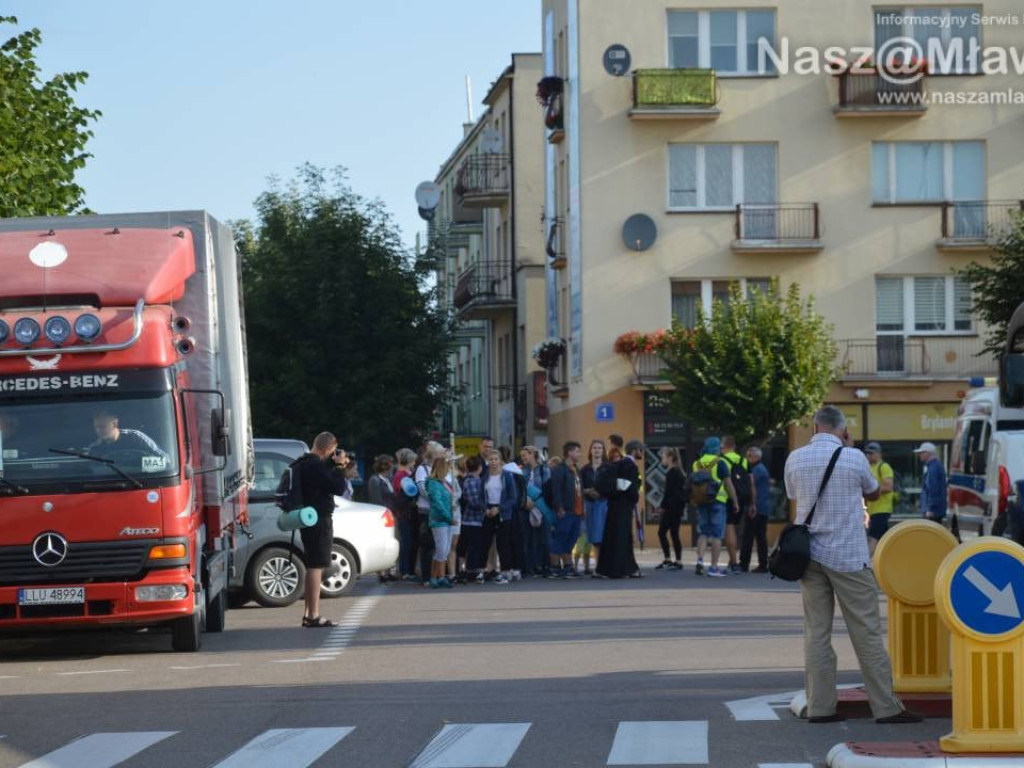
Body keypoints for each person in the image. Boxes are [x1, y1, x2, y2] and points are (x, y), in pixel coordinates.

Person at [785, 406, 921, 725]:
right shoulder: (854, 457)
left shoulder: (795, 458)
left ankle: (820, 707)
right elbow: (873, 494)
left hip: (808, 555)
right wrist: (849, 449)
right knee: (866, 632)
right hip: (847, 554)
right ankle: (885, 708)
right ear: (843, 430)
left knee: (816, 633)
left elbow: (794, 494)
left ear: (816, 428)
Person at [294, 431, 350, 628]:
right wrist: (341, 466)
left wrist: (332, 465)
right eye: (333, 451)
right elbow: (338, 487)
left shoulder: (303, 462)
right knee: (316, 565)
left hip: (309, 518)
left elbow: (322, 481)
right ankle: (313, 615)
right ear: (327, 448)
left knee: (313, 564)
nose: (334, 454)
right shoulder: (315, 466)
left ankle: (309, 613)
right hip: (319, 519)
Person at [691, 437, 738, 578]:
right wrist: (735, 501)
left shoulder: (697, 463)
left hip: (701, 501)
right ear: (717, 448)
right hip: (718, 501)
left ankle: (700, 560)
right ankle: (713, 567)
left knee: (703, 532)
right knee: (717, 535)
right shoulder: (720, 463)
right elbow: (728, 484)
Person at [595, 439, 642, 579]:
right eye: (640, 450)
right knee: (622, 538)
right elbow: (630, 489)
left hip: (614, 505)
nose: (642, 453)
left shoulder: (619, 464)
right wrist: (634, 497)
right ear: (634, 450)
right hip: (623, 507)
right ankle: (620, 569)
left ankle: (613, 568)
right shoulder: (630, 465)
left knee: (614, 537)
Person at [549, 441, 583, 578]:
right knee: (560, 538)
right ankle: (555, 568)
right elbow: (556, 490)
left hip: (577, 511)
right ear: (569, 452)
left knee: (571, 539)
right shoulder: (560, 469)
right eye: (577, 451)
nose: (579, 454)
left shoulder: (576, 469)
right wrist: (559, 507)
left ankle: (568, 567)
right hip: (566, 510)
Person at [722, 436, 753, 574]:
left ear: (724, 446)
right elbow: (751, 483)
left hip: (728, 498)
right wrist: (752, 503)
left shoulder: (722, 460)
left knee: (729, 528)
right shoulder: (744, 461)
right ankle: (732, 560)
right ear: (734, 446)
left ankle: (734, 562)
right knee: (736, 528)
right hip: (743, 497)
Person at [425, 455, 455, 589]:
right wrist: (449, 516)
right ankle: (433, 577)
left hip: (446, 519)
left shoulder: (443, 482)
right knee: (441, 550)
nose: (449, 469)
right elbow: (437, 503)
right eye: (447, 466)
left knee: (445, 550)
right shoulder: (433, 483)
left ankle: (441, 577)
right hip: (439, 520)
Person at [521, 445, 551, 577]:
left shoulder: (544, 470)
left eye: (525, 455)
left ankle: (545, 566)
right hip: (526, 507)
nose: (523, 458)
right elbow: (520, 489)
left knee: (544, 538)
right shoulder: (522, 471)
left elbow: (548, 490)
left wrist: (538, 503)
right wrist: (525, 501)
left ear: (533, 454)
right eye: (521, 456)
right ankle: (530, 567)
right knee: (527, 538)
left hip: (542, 507)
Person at [579, 439, 608, 575]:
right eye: (595, 448)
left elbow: (612, 486)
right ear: (591, 450)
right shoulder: (585, 469)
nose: (597, 450)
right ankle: (596, 565)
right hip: (589, 504)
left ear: (603, 451)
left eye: (600, 448)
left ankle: (601, 566)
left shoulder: (607, 467)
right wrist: (587, 491)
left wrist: (601, 491)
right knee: (593, 538)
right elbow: (579, 487)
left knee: (603, 537)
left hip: (604, 504)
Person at [740, 446, 770, 573]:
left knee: (748, 537)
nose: (748, 458)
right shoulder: (761, 469)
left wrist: (752, 506)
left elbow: (752, 488)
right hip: (763, 507)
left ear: (757, 456)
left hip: (756, 507)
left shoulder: (756, 470)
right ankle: (763, 564)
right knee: (761, 537)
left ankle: (744, 564)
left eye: (750, 456)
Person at [88, 410, 166, 460]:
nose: (98, 430)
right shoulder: (95, 448)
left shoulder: (135, 437)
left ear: (114, 424)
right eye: (96, 427)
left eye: (102, 426)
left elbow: (164, 459)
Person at [656, 447, 687, 570]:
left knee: (662, 532)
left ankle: (668, 558)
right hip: (678, 506)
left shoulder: (672, 472)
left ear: (670, 457)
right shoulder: (679, 472)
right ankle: (678, 560)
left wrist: (663, 506)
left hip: (671, 507)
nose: (662, 460)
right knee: (674, 533)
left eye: (663, 457)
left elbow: (669, 492)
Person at [391, 448, 419, 580]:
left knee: (409, 541)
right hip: (404, 513)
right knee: (406, 542)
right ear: (408, 461)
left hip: (406, 513)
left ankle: (408, 569)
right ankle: (405, 570)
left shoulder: (403, 474)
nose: (414, 463)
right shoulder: (401, 476)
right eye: (413, 460)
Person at [864, 442, 895, 555]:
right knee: (884, 538)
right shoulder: (870, 468)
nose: (868, 456)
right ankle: (892, 557)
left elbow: (888, 486)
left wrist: (871, 491)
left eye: (871, 453)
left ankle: (866, 562)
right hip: (873, 510)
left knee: (873, 537)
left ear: (878, 454)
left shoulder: (884, 467)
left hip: (882, 509)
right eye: (867, 453)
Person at [915, 442, 947, 523]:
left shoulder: (933, 468)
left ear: (928, 453)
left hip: (933, 512)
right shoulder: (936, 466)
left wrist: (930, 509)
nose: (920, 455)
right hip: (936, 510)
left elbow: (933, 489)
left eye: (922, 452)